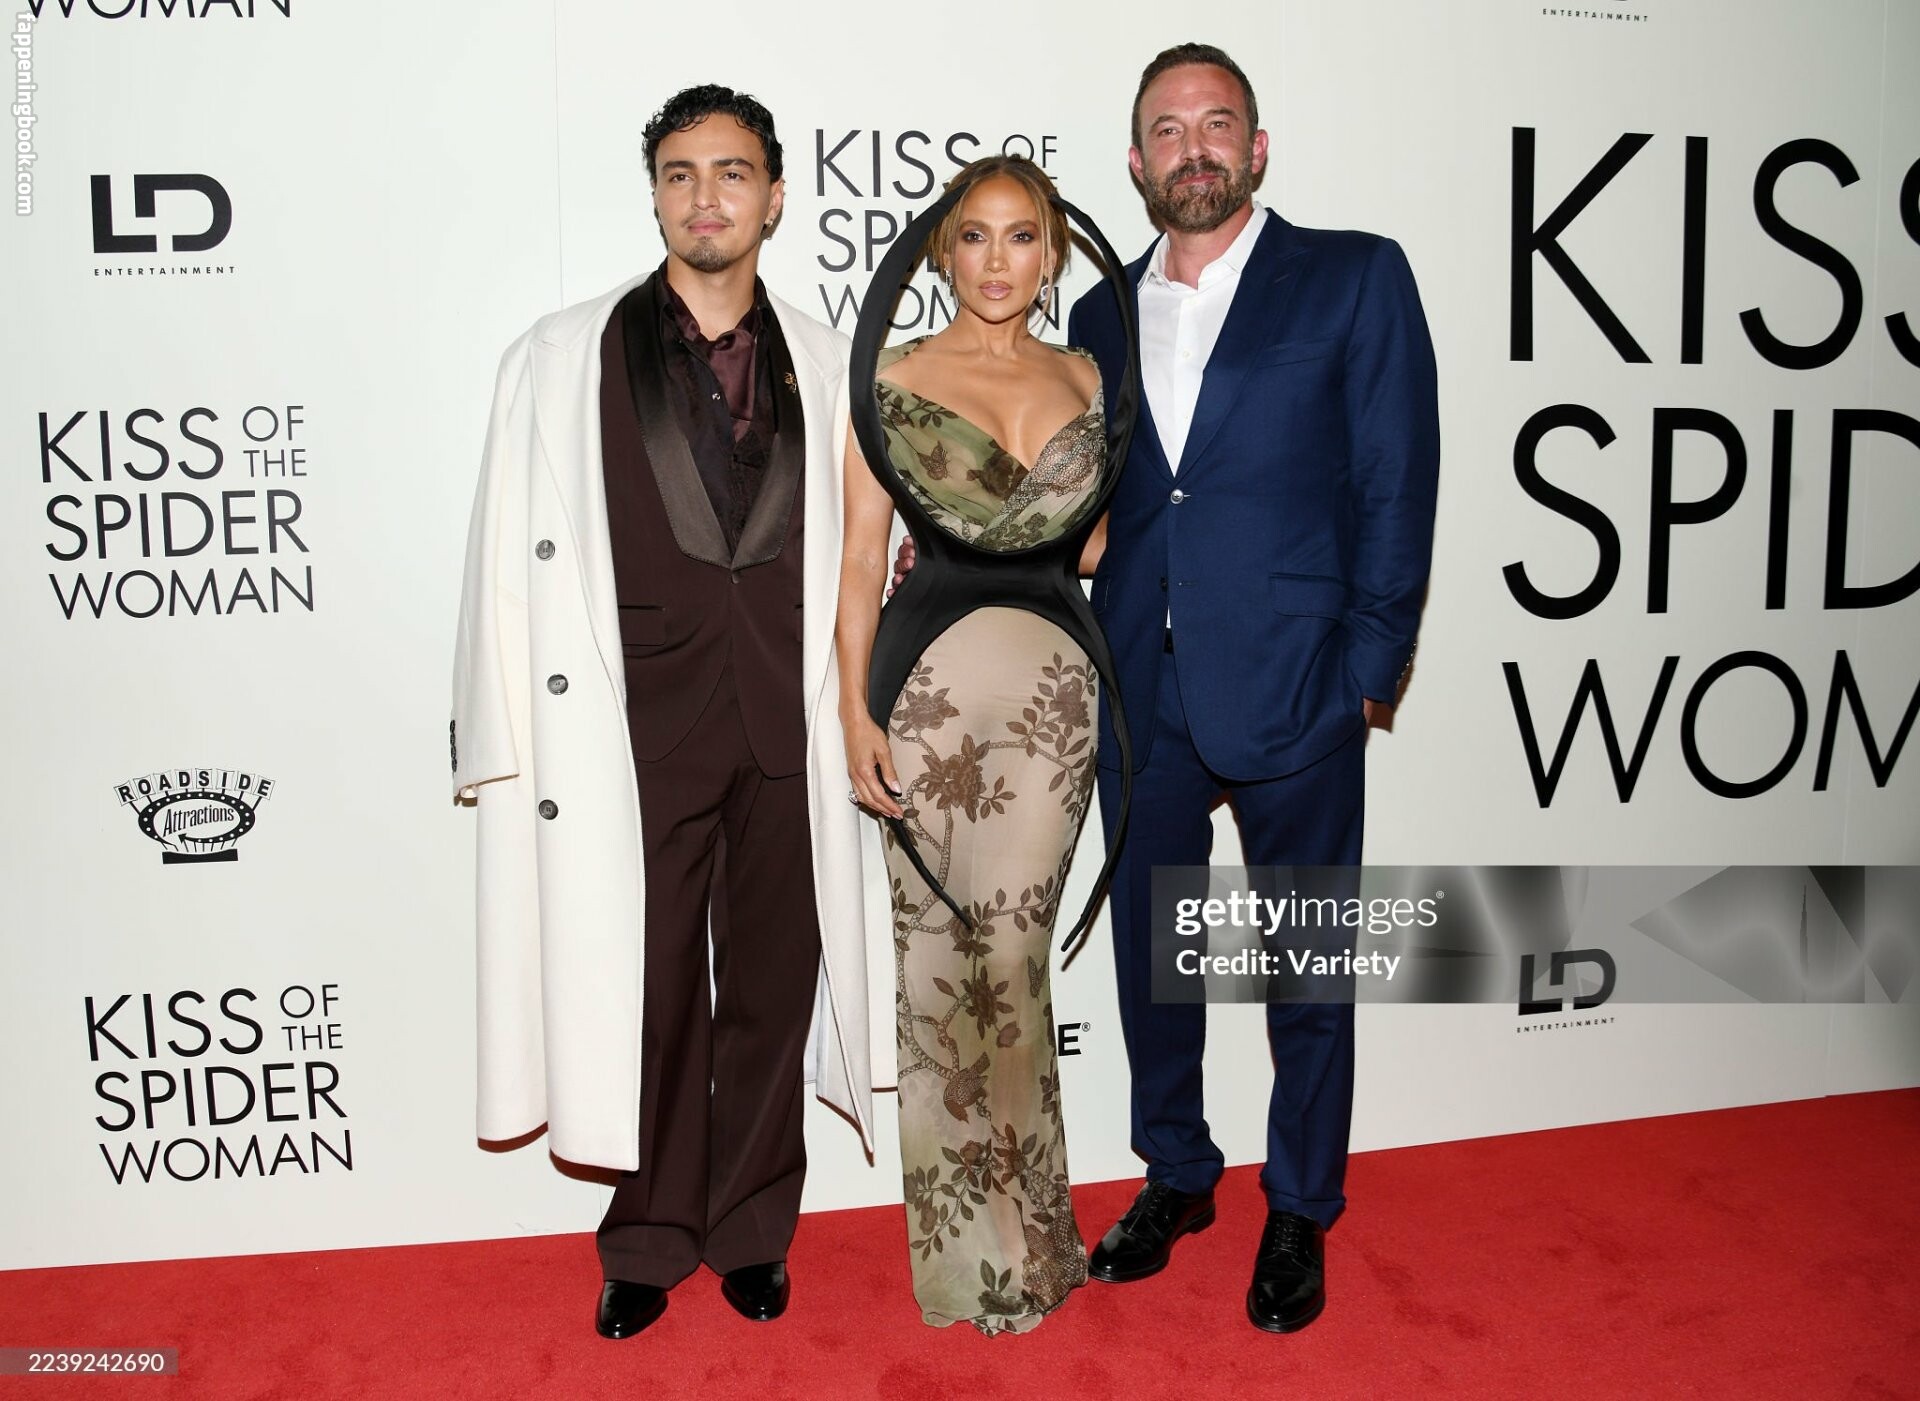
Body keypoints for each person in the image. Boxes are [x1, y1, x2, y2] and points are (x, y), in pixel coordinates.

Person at [450, 85, 877, 1342]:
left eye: (732, 173)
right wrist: (493, 734)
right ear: (654, 196)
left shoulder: (834, 360)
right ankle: (646, 1235)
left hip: (788, 726)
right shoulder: (557, 356)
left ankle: (750, 1227)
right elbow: (498, 562)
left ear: (774, 197)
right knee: (638, 991)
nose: (706, 196)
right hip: (629, 731)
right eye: (681, 174)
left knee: (772, 991)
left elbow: (862, 553)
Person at [1067, 43, 1440, 1333]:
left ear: (1258, 146)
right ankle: (1177, 1172)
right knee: (1154, 961)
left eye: (1217, 123)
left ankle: (1300, 1206)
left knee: (1308, 965)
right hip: (1142, 689)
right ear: (1137, 162)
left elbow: (1398, 480)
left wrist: (1367, 673)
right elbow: (1108, 503)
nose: (1195, 148)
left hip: (1300, 687)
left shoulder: (1352, 275)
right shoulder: (1098, 316)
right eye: (1168, 130)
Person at [836, 155, 1134, 1334]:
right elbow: (862, 560)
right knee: (936, 963)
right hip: (927, 693)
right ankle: (969, 1255)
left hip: (1055, 689)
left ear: (1051, 252)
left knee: (1012, 955)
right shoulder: (894, 376)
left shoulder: (1089, 374)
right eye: (975, 236)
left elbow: (1095, 544)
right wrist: (852, 713)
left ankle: (1028, 1232)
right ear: (942, 250)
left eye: (1021, 236)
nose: (997, 259)